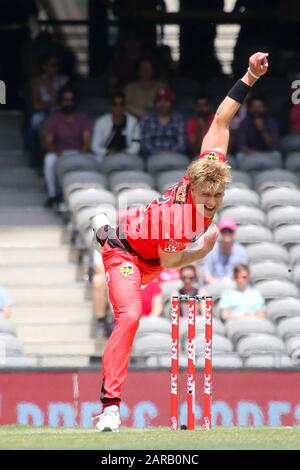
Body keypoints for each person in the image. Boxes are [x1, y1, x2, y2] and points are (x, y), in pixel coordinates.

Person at [90, 52, 269, 431]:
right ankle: (110, 406)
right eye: (206, 198)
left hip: (150, 250)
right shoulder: (179, 219)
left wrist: (250, 76)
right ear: (193, 187)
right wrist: (202, 250)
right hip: (126, 255)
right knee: (132, 316)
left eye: (216, 198)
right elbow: (171, 264)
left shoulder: (211, 166)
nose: (212, 203)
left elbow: (222, 118)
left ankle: (105, 225)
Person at [43, 85, 92, 208]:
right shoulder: (54, 118)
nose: (68, 103)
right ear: (60, 102)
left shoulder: (83, 118)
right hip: (60, 153)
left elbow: (87, 141)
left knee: (95, 159)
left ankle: (88, 193)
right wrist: (58, 153)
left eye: (71, 100)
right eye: (65, 100)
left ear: (75, 101)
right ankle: (52, 196)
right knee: (49, 160)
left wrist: (81, 153)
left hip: (79, 152)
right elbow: (49, 141)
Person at [28, 53, 69, 169]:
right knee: (32, 127)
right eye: (51, 65)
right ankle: (35, 161)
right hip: (43, 113)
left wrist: (51, 84)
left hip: (61, 113)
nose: (54, 68)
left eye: (56, 65)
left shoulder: (63, 80)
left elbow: (63, 101)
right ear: (44, 66)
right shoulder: (36, 81)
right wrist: (52, 103)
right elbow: (36, 104)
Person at [91, 92, 140, 162]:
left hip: (127, 156)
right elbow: (94, 146)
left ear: (125, 106)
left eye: (121, 104)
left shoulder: (133, 122)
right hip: (106, 156)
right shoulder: (101, 122)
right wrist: (106, 152)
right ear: (111, 106)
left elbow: (136, 145)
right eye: (115, 104)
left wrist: (127, 152)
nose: (118, 107)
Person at [140, 86, 186, 157]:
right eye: (159, 101)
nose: (162, 104)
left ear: (171, 103)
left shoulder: (178, 119)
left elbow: (182, 144)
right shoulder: (147, 119)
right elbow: (145, 145)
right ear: (155, 103)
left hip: (175, 155)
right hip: (153, 156)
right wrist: (156, 153)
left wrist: (171, 152)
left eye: (166, 101)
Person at [235, 96, 281, 163]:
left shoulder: (271, 122)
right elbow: (241, 146)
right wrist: (257, 154)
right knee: (240, 156)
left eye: (260, 107)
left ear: (265, 108)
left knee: (277, 155)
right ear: (249, 108)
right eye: (253, 107)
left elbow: (274, 145)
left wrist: (262, 129)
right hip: (249, 154)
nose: (256, 109)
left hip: (268, 154)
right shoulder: (244, 123)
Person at [203, 218, 248, 286]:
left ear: (234, 232)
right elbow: (206, 275)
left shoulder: (241, 252)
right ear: (219, 232)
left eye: (230, 230)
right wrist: (219, 284)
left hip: (234, 287)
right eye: (224, 231)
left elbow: (243, 275)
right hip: (214, 287)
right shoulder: (211, 250)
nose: (227, 233)